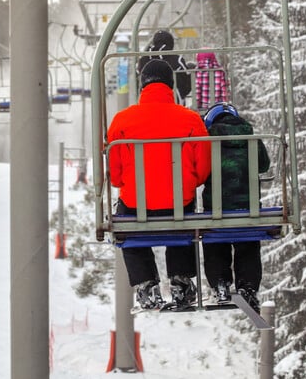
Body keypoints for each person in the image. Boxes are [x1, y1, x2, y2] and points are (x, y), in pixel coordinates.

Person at [108, 59, 211, 310]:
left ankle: (145, 283)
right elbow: (203, 168)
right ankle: (181, 281)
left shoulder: (122, 121)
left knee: (124, 226)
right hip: (179, 203)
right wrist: (189, 184)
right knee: (184, 216)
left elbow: (115, 175)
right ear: (170, 85)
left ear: (142, 85)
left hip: (135, 205)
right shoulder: (190, 119)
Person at [201, 102, 271, 313]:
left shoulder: (206, 141)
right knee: (248, 245)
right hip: (248, 208)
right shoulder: (250, 137)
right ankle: (248, 287)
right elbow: (264, 165)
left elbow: (201, 170)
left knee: (214, 243)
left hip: (215, 209)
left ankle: (220, 285)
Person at [137, 29, 192, 105]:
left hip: (146, 103)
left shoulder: (143, 59)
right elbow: (187, 82)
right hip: (174, 101)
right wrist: (181, 94)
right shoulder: (177, 59)